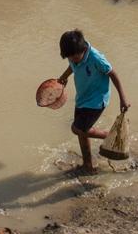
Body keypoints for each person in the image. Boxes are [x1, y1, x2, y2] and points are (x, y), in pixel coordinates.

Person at [53, 28, 130, 173]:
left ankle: (110, 136)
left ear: (82, 50)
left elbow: (113, 74)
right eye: (70, 57)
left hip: (96, 101)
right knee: (82, 132)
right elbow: (71, 66)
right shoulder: (73, 54)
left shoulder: (96, 58)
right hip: (82, 98)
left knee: (77, 129)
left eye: (75, 57)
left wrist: (123, 98)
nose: (73, 60)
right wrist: (63, 77)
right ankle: (88, 165)